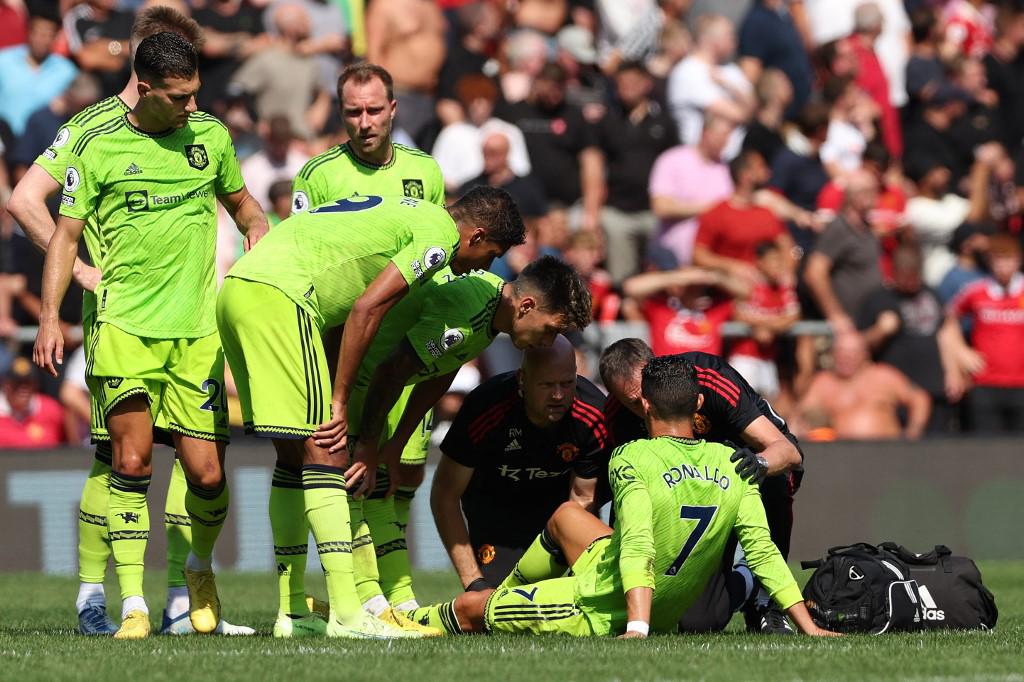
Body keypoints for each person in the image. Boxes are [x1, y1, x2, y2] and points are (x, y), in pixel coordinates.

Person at [7, 6, 251, 639]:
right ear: (145, 74)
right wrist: (76, 286)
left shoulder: (209, 136)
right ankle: (116, 599)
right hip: (122, 327)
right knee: (124, 461)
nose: (194, 102)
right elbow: (32, 208)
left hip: (195, 331)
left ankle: (182, 589)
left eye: (196, 87)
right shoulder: (91, 134)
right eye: (181, 92)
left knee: (201, 471)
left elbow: (250, 213)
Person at [216, 188, 525, 638]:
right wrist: (339, 400)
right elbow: (366, 309)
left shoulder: (411, 210)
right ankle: (348, 614)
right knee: (327, 454)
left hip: (242, 288)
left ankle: (292, 613)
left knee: (291, 460)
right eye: (490, 254)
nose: (484, 266)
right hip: (285, 298)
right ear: (476, 235)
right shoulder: (437, 234)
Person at [411, 355, 838, 639]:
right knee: (568, 516)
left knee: (476, 611)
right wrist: (809, 627)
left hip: (607, 601)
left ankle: (402, 620)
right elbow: (763, 551)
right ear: (699, 405)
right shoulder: (733, 462)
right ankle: (757, 601)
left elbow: (634, 544)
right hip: (668, 591)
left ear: (646, 407)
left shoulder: (630, 456)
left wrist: (637, 625)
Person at [341, 258, 591, 625]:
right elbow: (393, 369)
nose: (548, 343)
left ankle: (397, 599)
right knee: (338, 477)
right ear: (526, 306)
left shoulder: (490, 319)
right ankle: (345, 601)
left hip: (383, 386)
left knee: (382, 485)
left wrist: (394, 445)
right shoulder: (474, 305)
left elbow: (439, 372)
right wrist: (368, 441)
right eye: (552, 330)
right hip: (354, 376)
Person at [599, 339, 805, 633]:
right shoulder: (616, 418)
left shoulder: (709, 379)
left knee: (774, 479)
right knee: (702, 622)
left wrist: (759, 464)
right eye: (632, 403)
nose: (644, 408)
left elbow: (788, 452)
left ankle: (766, 603)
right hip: (688, 490)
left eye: (644, 396)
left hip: (744, 465)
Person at [430, 335, 608, 589]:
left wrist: (573, 573)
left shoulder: (593, 414)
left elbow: (583, 500)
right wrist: (473, 583)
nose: (558, 395)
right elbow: (444, 496)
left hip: (556, 516)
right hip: (494, 513)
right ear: (522, 379)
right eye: (547, 385)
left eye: (567, 383)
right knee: (495, 606)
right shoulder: (484, 408)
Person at [291, 63, 444, 213]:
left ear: (392, 109)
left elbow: (440, 235)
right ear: (341, 114)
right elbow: (298, 237)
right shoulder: (317, 175)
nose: (364, 123)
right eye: (354, 112)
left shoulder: (425, 168)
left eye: (374, 110)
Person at [597, 61, 679, 285]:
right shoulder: (608, 121)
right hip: (618, 211)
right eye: (622, 84)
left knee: (659, 272)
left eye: (632, 83)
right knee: (621, 279)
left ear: (646, 84)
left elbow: (675, 166)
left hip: (655, 212)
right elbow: (596, 165)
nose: (627, 88)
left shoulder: (665, 123)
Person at [856, 246, 952, 433]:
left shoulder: (931, 294)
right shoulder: (878, 299)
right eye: (907, 277)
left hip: (935, 387)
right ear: (895, 274)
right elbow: (859, 345)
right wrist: (880, 331)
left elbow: (946, 330)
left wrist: (952, 370)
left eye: (915, 276)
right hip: (899, 393)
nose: (912, 283)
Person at [942, 232, 1024, 433]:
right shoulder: (976, 291)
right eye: (998, 260)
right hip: (986, 383)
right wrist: (960, 353)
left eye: (1009, 259)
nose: (1004, 266)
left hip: (1021, 383)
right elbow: (947, 322)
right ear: (989, 261)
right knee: (989, 450)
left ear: (1018, 260)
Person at [792, 332, 931, 440]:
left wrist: (913, 432)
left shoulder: (883, 375)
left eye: (852, 353)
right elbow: (801, 415)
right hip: (843, 456)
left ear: (865, 354)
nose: (846, 357)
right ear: (833, 354)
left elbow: (919, 398)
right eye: (841, 352)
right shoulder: (823, 383)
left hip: (888, 451)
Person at [693, 148, 796, 287]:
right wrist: (731, 267)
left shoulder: (767, 212)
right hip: (732, 292)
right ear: (745, 175)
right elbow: (699, 256)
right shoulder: (716, 214)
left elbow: (787, 247)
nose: (767, 172)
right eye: (760, 166)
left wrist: (786, 271)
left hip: (769, 293)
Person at [803, 168, 883, 334]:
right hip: (846, 329)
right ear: (857, 196)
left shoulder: (866, 229)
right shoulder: (838, 229)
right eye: (873, 191)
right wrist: (835, 315)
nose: (878, 196)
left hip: (865, 323)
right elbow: (815, 273)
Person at [648, 113, 735, 265]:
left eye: (728, 137)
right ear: (706, 133)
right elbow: (661, 207)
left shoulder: (726, 169)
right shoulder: (672, 159)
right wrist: (712, 208)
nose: (725, 142)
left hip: (711, 258)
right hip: (671, 255)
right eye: (722, 135)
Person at [666, 13, 753, 155]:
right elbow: (740, 115)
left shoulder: (731, 71)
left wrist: (729, 85)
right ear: (711, 40)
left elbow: (754, 108)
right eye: (729, 36)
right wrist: (744, 105)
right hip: (698, 160)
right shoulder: (687, 72)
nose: (735, 41)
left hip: (733, 163)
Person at [365, 0, 446, 146]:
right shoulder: (384, 6)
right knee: (399, 156)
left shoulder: (431, 6)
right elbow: (373, 56)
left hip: (431, 96)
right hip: (400, 96)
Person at [729, 241, 800, 402]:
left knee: (769, 410)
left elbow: (793, 316)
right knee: (738, 406)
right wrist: (768, 324)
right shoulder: (748, 286)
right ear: (760, 262)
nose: (778, 265)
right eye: (773, 260)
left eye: (780, 260)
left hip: (768, 359)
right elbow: (738, 314)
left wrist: (765, 327)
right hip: (744, 358)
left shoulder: (783, 288)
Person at [0, 8, 77, 137]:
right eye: (38, 33)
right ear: (28, 32)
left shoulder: (67, 71)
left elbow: (76, 106)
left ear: (56, 37)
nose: (42, 40)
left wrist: (67, 106)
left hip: (42, 145)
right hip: (4, 140)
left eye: (48, 35)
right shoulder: (4, 61)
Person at [737, 0, 814, 116]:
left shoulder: (782, 14)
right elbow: (749, 73)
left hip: (803, 106)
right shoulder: (756, 21)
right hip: (782, 114)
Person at [0, 356, 65, 449]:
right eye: (17, 383)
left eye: (28, 382)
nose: (23, 388)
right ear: (5, 384)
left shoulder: (51, 410)